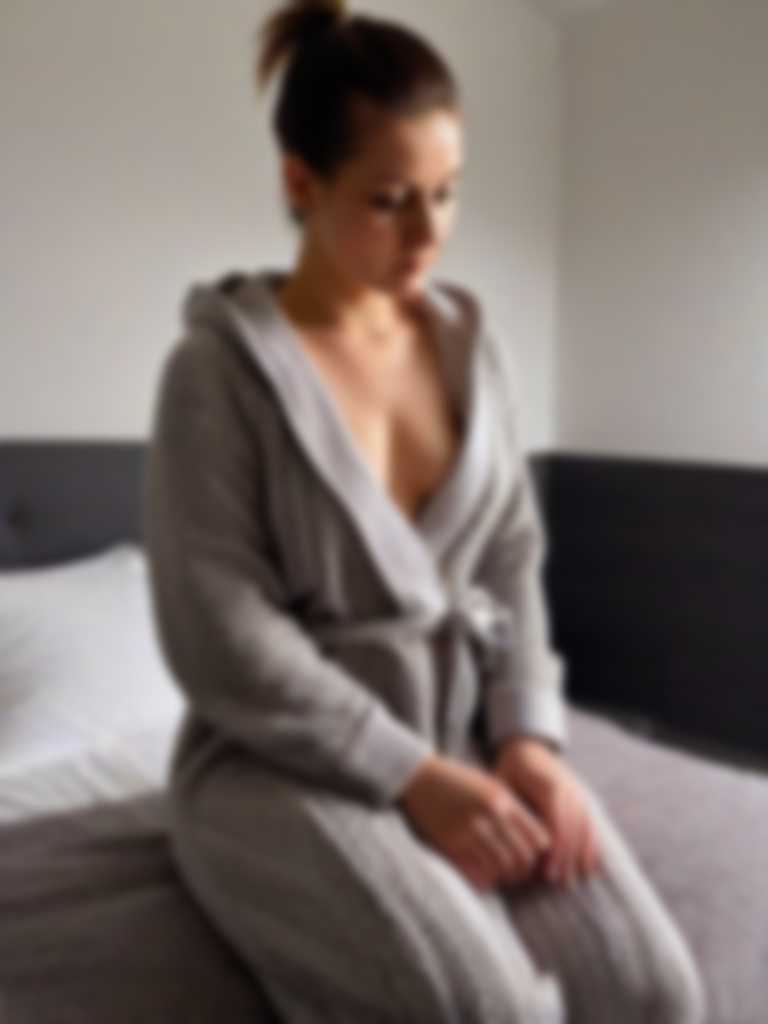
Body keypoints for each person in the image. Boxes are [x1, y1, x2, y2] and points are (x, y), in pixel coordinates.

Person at [142, 1, 707, 1021]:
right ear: (300, 182)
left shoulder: (469, 352)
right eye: (391, 199)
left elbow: (510, 560)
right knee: (472, 1006)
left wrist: (527, 735)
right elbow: (222, 636)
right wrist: (411, 776)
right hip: (279, 761)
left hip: (462, 734)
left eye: (447, 193)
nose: (429, 233)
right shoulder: (217, 376)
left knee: (653, 987)